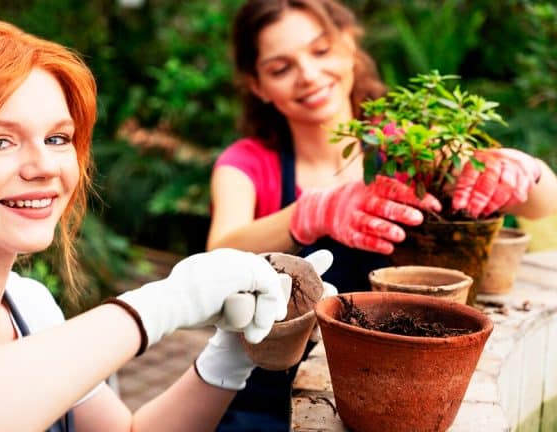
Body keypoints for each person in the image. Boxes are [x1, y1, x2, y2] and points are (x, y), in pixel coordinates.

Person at [0, 19, 336, 432]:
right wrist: (165, 302)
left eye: (58, 138)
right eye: (0, 140)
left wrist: (229, 358)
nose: (44, 166)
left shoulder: (31, 304)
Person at [207, 0, 557, 430]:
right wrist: (310, 212)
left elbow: (542, 205)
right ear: (257, 85)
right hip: (267, 398)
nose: (309, 75)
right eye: (281, 68)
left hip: (407, 380)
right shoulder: (247, 163)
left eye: (320, 51)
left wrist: (524, 170)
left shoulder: (410, 144)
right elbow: (216, 254)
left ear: (350, 44)